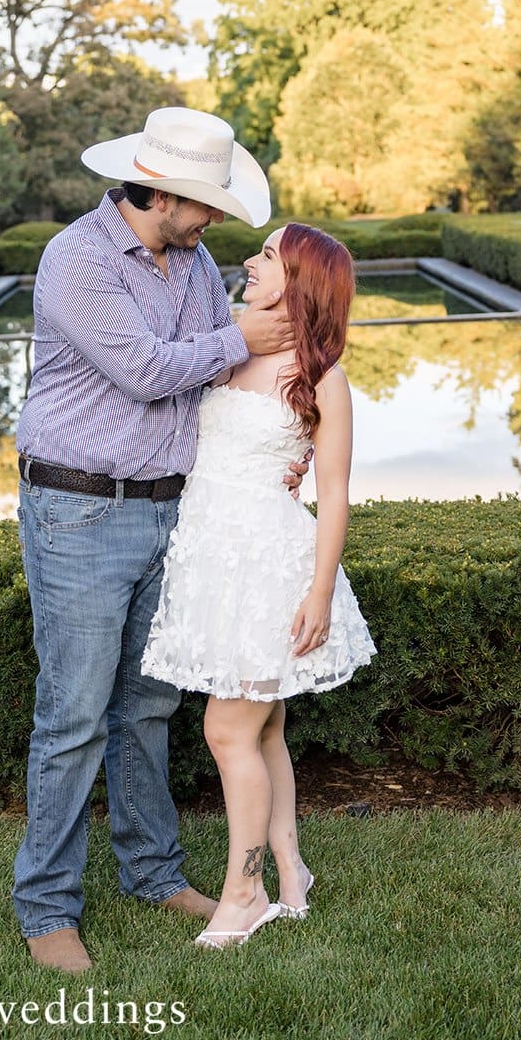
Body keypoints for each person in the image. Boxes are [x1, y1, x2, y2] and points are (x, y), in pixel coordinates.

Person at [12, 107, 307, 974]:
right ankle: (46, 911)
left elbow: (214, 385)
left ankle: (152, 873)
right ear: (164, 192)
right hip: (79, 513)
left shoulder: (193, 262)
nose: (215, 221)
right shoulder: (79, 259)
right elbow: (145, 370)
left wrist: (281, 457)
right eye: (205, 204)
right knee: (71, 719)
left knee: (147, 709)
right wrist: (239, 336)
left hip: (173, 514)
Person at [141, 222, 378, 948]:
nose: (247, 261)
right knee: (264, 725)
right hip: (211, 561)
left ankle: (242, 891)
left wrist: (316, 591)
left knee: (225, 729)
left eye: (266, 255)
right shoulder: (228, 350)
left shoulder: (323, 382)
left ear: (300, 281)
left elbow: (332, 495)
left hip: (267, 569)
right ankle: (288, 866)